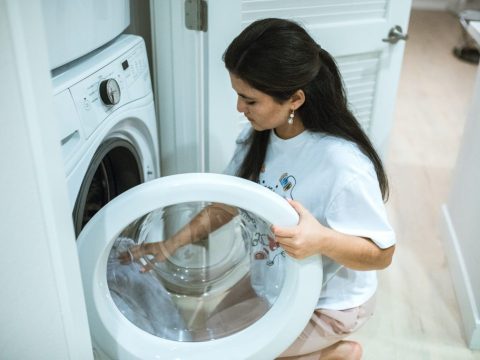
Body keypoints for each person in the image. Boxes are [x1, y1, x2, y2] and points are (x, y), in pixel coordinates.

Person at [122, 18, 396, 360]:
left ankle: (337, 354)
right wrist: (169, 244)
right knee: (206, 341)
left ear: (295, 99)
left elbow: (382, 253)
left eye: (249, 100)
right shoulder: (262, 136)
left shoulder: (342, 164)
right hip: (273, 278)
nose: (239, 108)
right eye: (239, 95)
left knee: (234, 355)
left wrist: (321, 240)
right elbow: (229, 204)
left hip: (329, 302)